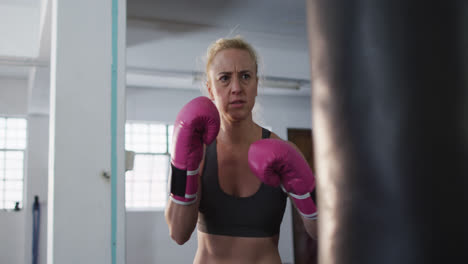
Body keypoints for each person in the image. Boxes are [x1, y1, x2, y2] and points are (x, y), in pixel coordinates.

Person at [165, 36, 317, 264]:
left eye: (245, 76)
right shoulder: (197, 150)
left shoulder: (284, 152)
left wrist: (309, 192)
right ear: (210, 89)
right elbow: (178, 234)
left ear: (256, 84)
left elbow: (321, 233)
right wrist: (187, 170)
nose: (236, 88)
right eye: (224, 79)